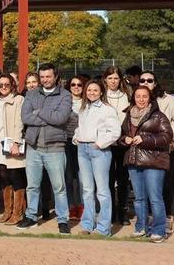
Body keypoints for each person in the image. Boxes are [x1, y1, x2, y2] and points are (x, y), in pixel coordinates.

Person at [16, 63, 72, 234]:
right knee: (32, 186)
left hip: (55, 148)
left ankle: (63, 220)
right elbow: (25, 117)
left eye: (48, 76)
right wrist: (49, 115)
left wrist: (39, 112)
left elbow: (61, 118)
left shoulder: (65, 95)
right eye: (42, 77)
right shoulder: (31, 94)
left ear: (55, 76)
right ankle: (31, 216)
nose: (45, 80)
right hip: (33, 147)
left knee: (59, 187)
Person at [120, 85, 173, 243]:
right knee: (139, 198)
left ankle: (158, 230)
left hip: (154, 162)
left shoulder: (158, 116)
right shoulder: (129, 115)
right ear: (133, 98)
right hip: (134, 160)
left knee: (155, 198)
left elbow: (167, 137)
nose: (141, 99)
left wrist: (146, 139)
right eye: (138, 96)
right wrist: (125, 139)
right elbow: (121, 135)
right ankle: (141, 227)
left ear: (150, 98)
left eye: (144, 96)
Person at [138, 71, 174, 235]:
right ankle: (151, 218)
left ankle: (168, 217)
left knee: (165, 183)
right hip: (144, 150)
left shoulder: (167, 100)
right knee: (147, 186)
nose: (146, 82)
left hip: (164, 149)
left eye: (149, 80)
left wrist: (168, 136)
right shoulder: (137, 99)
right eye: (142, 80)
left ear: (156, 83)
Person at [73, 79, 120, 236]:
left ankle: (103, 228)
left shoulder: (107, 109)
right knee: (87, 190)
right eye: (89, 90)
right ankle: (87, 224)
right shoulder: (84, 108)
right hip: (82, 149)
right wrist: (76, 138)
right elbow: (80, 128)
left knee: (102, 190)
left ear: (101, 92)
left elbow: (114, 131)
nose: (91, 92)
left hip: (99, 151)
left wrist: (100, 143)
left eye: (95, 90)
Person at [0, 74, 26, 225]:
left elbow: (19, 122)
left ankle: (18, 212)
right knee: (3, 176)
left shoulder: (18, 100)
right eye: (0, 85)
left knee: (15, 176)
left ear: (12, 85)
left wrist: (16, 141)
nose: (3, 87)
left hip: (11, 142)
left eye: (6, 85)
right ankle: (7, 211)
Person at [102, 67, 131, 225]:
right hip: (106, 143)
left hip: (122, 143)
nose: (113, 81)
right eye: (110, 78)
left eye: (116, 78)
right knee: (108, 179)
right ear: (105, 79)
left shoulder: (127, 96)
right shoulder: (101, 95)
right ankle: (110, 211)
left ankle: (123, 211)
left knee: (123, 178)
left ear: (120, 80)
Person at [65, 74, 87, 221]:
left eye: (79, 85)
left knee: (82, 178)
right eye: (73, 85)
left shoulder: (88, 102)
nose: (76, 87)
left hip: (83, 142)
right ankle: (71, 206)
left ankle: (83, 206)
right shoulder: (64, 102)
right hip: (66, 141)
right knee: (68, 177)